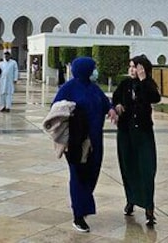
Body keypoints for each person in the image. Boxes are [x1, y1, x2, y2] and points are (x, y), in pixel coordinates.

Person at [52, 57, 117, 233]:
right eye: (93, 67)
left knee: (92, 173)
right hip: (77, 142)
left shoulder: (94, 88)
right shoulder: (69, 88)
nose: (95, 71)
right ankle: (78, 215)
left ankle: (83, 204)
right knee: (78, 175)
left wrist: (110, 109)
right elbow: (55, 109)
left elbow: (105, 103)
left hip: (95, 140)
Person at [112, 54, 161, 227]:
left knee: (147, 169)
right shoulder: (125, 84)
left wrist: (143, 80)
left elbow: (154, 97)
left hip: (143, 133)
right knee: (128, 167)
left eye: (136, 67)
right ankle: (130, 199)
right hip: (126, 132)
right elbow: (115, 98)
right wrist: (116, 105)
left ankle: (149, 207)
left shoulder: (148, 85)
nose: (132, 70)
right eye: (131, 66)